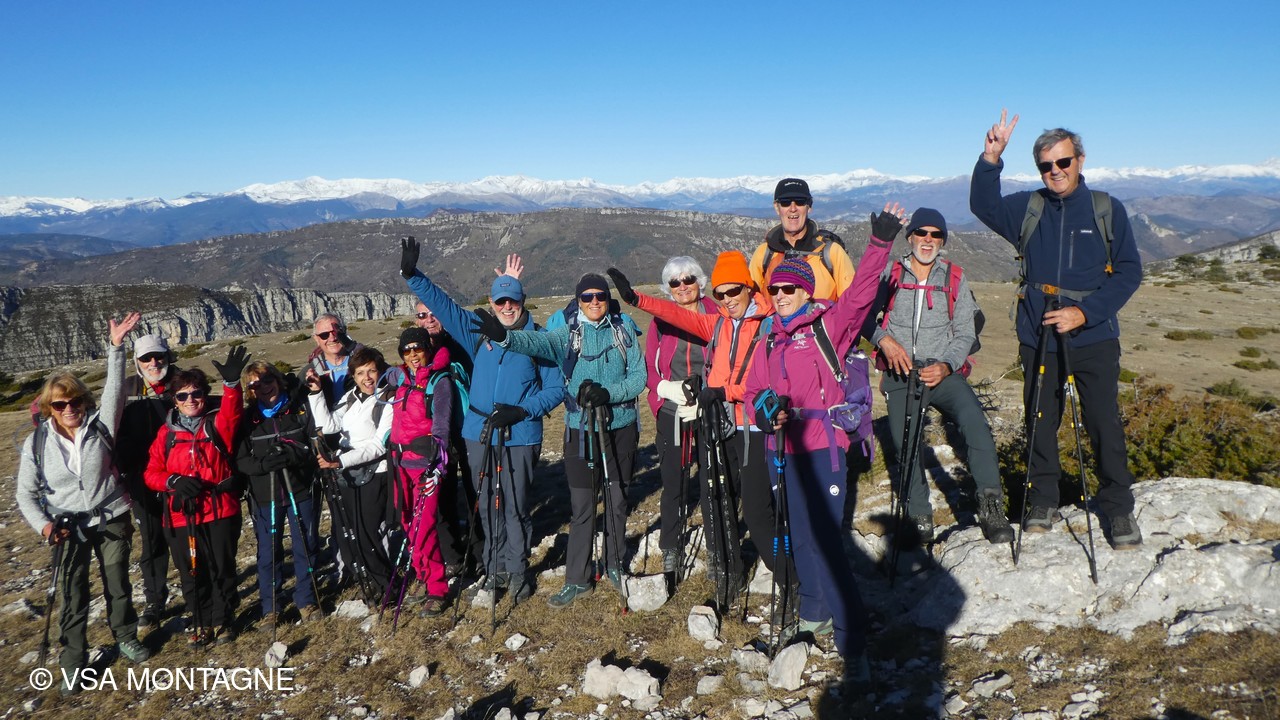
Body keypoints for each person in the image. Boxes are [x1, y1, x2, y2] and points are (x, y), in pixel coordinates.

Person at [969, 110, 1143, 549]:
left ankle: (1118, 508)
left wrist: (1086, 313)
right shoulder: (1029, 207)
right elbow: (983, 206)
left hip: (1094, 334)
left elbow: (1129, 271)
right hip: (1039, 332)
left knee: (1103, 422)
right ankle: (1042, 502)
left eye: (1063, 162)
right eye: (1046, 165)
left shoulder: (1106, 209)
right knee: (1040, 419)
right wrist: (991, 160)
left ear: (1080, 160)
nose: (1056, 171)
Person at [742, 205, 903, 678]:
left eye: (788, 289)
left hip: (823, 448)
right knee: (800, 536)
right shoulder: (768, 338)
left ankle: (853, 636)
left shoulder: (827, 326)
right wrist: (765, 412)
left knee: (827, 541)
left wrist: (879, 243)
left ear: (805, 291)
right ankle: (814, 614)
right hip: (784, 451)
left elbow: (860, 295)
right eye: (775, 290)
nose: (780, 296)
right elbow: (753, 392)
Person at [609, 252, 794, 607]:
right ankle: (723, 568)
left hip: (745, 424)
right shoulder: (719, 323)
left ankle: (787, 579)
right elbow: (675, 317)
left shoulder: (760, 323)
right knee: (707, 496)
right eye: (722, 294)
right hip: (711, 420)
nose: (727, 299)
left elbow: (763, 381)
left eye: (734, 291)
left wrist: (723, 392)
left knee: (751, 506)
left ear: (748, 287)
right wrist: (636, 300)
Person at [401, 238, 564, 605]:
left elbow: (556, 389)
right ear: (491, 303)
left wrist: (522, 410)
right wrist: (412, 276)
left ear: (523, 301)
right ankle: (494, 569)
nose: (506, 307)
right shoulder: (477, 331)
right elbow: (443, 305)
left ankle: (517, 571)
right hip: (478, 433)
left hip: (520, 433)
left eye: (513, 301)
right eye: (500, 301)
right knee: (486, 503)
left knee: (515, 505)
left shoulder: (539, 340)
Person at [472, 272, 645, 609]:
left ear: (608, 299)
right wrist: (505, 337)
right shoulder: (568, 333)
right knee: (582, 507)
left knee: (617, 500)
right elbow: (535, 344)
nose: (594, 302)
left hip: (621, 428)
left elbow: (639, 376)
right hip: (580, 431)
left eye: (600, 296)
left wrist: (609, 393)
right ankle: (577, 579)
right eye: (587, 297)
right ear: (578, 301)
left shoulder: (623, 329)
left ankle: (614, 564)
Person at [17, 313, 150, 695]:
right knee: (73, 594)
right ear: (50, 408)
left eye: (75, 401)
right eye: (60, 404)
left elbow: (115, 390)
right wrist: (45, 526)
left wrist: (116, 346)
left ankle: (126, 636)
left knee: (117, 582)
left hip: (111, 515)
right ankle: (74, 661)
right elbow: (25, 494)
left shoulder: (101, 424)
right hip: (66, 527)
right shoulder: (37, 443)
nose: (69, 408)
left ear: (84, 401)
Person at [871, 207, 1015, 544]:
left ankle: (991, 507)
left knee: (975, 423)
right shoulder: (891, 274)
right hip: (901, 371)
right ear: (910, 237)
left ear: (943, 241)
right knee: (905, 441)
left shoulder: (954, 277)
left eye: (936, 235)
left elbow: (965, 332)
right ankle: (919, 514)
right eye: (921, 233)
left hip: (943, 371)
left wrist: (947, 365)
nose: (928, 240)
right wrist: (884, 341)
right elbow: (864, 316)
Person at [144, 345, 249, 646]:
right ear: (174, 401)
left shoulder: (216, 424)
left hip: (219, 510)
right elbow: (151, 473)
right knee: (191, 572)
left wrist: (231, 384)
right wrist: (173, 480)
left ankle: (223, 620)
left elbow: (232, 412)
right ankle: (200, 620)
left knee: (222, 568)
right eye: (182, 396)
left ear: (204, 395)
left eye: (196, 393)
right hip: (181, 515)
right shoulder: (166, 434)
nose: (190, 400)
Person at [641, 256, 716, 574]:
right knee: (674, 480)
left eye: (688, 279)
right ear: (668, 288)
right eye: (675, 282)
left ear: (700, 281)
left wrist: (710, 394)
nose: (683, 286)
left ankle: (717, 546)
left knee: (712, 479)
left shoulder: (716, 314)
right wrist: (664, 390)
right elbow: (648, 366)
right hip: (673, 409)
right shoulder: (661, 321)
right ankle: (670, 546)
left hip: (709, 406)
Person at [235, 361, 322, 629]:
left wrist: (295, 455)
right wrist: (263, 465)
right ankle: (271, 607)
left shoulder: (298, 408)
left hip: (300, 490)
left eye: (268, 379)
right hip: (265, 496)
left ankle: (306, 600)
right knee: (268, 553)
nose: (264, 387)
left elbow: (314, 445)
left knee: (305, 545)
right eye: (255, 384)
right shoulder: (247, 419)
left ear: (278, 379)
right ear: (249, 390)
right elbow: (241, 461)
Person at [307, 347, 397, 602]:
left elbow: (379, 445)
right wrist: (316, 393)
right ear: (353, 376)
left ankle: (386, 586)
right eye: (360, 373)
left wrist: (339, 461)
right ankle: (371, 582)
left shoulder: (388, 400)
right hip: (348, 472)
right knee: (351, 533)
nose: (367, 378)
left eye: (372, 371)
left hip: (375, 472)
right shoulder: (350, 397)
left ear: (380, 372)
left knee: (367, 533)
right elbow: (328, 425)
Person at [385, 327, 453, 617]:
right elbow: (374, 368)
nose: (413, 355)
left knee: (424, 526)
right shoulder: (400, 378)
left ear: (428, 349)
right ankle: (424, 577)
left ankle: (438, 589)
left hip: (425, 465)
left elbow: (442, 427)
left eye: (418, 349)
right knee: (408, 525)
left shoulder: (439, 382)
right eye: (407, 350)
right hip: (399, 463)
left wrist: (437, 466)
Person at [116, 333, 179, 629]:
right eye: (146, 358)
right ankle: (155, 601)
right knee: (152, 541)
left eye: (158, 356)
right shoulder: (125, 389)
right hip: (143, 479)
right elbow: (115, 434)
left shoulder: (183, 383)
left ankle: (199, 591)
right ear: (136, 361)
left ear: (168, 356)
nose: (154, 363)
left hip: (181, 477)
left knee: (188, 536)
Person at [749, 178, 856, 301]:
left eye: (800, 202)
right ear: (777, 207)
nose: (793, 208)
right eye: (785, 202)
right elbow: (751, 302)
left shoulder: (831, 253)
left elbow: (850, 303)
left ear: (809, 206)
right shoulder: (764, 254)